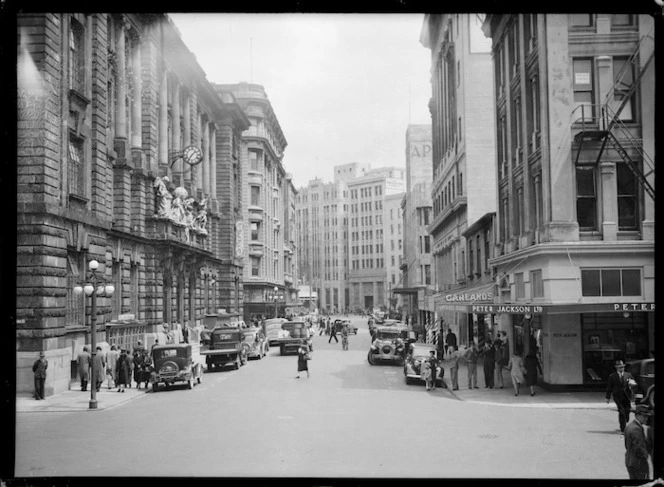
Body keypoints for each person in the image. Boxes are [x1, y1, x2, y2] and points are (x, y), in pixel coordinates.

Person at [605, 359, 637, 433]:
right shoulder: (612, 376)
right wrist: (607, 397)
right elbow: (609, 387)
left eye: (622, 367)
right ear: (616, 368)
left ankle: (627, 416)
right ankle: (623, 428)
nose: (621, 368)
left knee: (627, 410)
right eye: (620, 367)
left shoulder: (628, 375)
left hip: (627, 396)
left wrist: (633, 385)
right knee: (621, 412)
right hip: (618, 396)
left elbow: (634, 383)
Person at [624, 404, 653, 479]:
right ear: (637, 415)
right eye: (644, 416)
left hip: (630, 460)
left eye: (647, 417)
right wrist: (646, 456)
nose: (646, 419)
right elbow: (639, 448)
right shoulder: (636, 429)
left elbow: (627, 445)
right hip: (638, 463)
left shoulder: (630, 426)